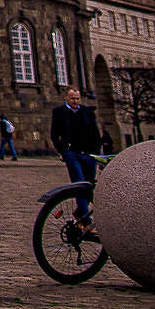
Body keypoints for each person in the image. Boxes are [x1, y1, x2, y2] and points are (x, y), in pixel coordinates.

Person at [50, 86, 104, 223]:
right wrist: (62, 150)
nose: (75, 101)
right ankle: (86, 222)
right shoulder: (59, 112)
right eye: (73, 98)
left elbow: (95, 133)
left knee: (89, 186)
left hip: (89, 154)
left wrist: (98, 153)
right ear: (66, 98)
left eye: (77, 98)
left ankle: (81, 211)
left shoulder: (87, 112)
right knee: (80, 184)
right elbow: (54, 134)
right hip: (72, 153)